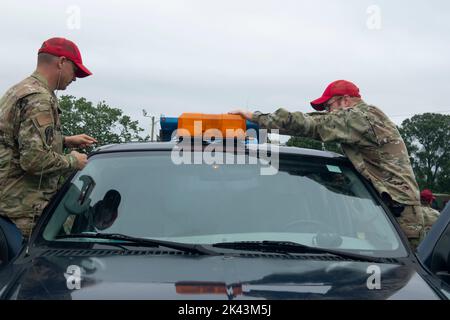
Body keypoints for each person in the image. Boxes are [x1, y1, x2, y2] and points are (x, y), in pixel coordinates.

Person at [231, 80, 424, 248]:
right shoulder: (362, 121)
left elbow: (313, 124)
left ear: (345, 101)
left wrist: (256, 118)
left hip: (397, 218)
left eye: (328, 106)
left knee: (399, 279)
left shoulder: (360, 118)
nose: (327, 112)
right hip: (385, 212)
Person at [0, 37, 97, 242]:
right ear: (61, 62)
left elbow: (17, 141)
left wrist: (65, 141)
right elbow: (33, 160)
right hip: (20, 215)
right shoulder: (39, 99)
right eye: (75, 71)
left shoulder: (20, 90)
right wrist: (73, 161)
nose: (75, 78)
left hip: (8, 210)